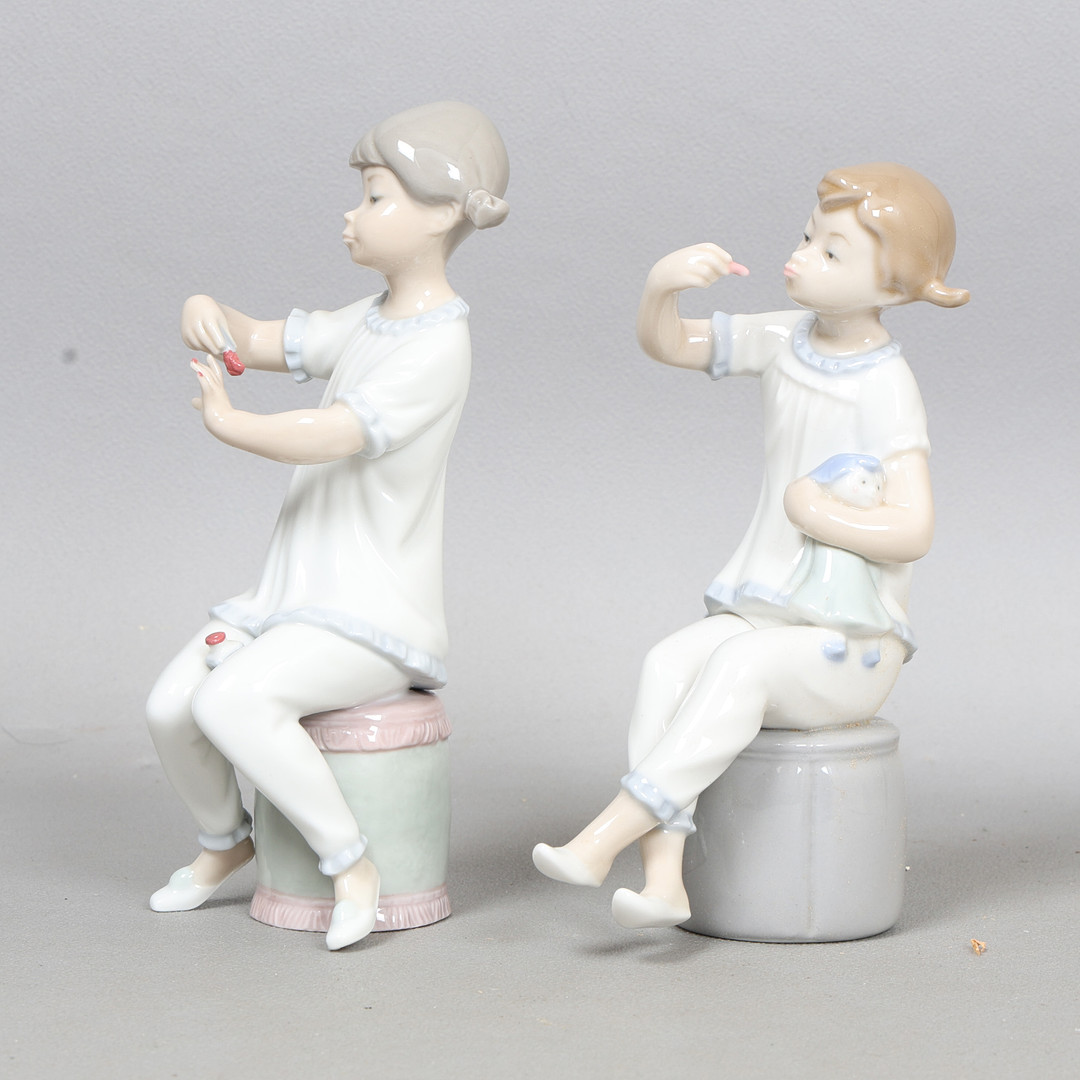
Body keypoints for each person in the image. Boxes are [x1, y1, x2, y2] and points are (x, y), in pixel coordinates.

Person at [533, 163, 967, 930]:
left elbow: (914, 528)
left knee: (740, 665)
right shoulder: (782, 337)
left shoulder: (886, 385)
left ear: (893, 285)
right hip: (766, 607)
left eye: (831, 251)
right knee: (666, 664)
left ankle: (603, 839)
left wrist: (817, 513)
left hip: (848, 639)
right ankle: (663, 879)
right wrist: (661, 288)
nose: (800, 256)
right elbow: (670, 344)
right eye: (807, 236)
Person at [146, 102, 509, 950]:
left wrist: (233, 423)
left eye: (375, 197)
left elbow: (335, 432)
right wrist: (207, 310)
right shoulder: (370, 319)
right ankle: (224, 840)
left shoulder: (437, 347)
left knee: (234, 701)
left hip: (371, 613)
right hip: (291, 597)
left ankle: (352, 867)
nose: (353, 214)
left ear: (441, 214)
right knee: (170, 706)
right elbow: (261, 339)